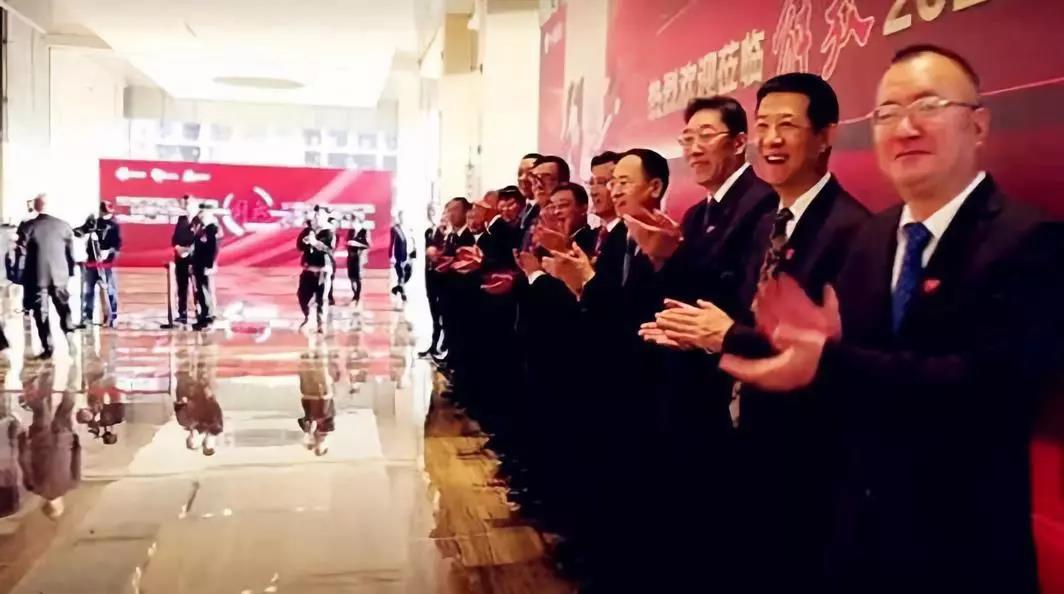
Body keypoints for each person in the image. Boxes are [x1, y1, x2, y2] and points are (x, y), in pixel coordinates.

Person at [720, 45, 1064, 594]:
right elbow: (854, 381)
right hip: (858, 540)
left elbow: (993, 390)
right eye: (887, 113)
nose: (905, 128)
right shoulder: (873, 235)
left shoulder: (1030, 240)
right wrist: (812, 351)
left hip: (962, 549)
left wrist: (830, 360)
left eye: (928, 106)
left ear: (977, 125)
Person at [642, 74, 871, 594]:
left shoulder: (852, 230)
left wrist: (726, 337)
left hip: (801, 455)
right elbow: (748, 317)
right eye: (764, 124)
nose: (771, 139)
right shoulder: (770, 221)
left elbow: (831, 355)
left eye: (786, 125)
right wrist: (701, 333)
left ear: (826, 136)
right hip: (743, 433)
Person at [18, 361, 80, 520]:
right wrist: (22, 441)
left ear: (59, 506)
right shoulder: (34, 487)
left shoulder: (72, 484)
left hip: (62, 440)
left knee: (66, 406)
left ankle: (72, 370)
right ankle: (43, 375)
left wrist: (74, 441)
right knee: (41, 408)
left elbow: (76, 460)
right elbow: (24, 461)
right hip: (41, 441)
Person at [21, 195, 75, 359]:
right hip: (60, 276)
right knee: (63, 308)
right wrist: (69, 272)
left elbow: (21, 253)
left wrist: (20, 276)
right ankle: (69, 334)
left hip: (37, 277)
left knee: (41, 314)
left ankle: (48, 347)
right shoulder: (64, 226)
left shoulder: (28, 227)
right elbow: (70, 254)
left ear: (36, 206)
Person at [73, 202, 122, 328]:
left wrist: (109, 252)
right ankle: (87, 317)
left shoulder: (114, 225)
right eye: (104, 211)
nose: (105, 214)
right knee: (88, 291)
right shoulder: (93, 223)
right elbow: (79, 232)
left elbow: (117, 245)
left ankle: (112, 317)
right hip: (91, 263)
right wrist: (82, 229)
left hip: (106, 264)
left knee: (110, 290)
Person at [297, 207, 335, 333]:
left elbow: (328, 248)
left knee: (321, 299)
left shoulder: (328, 232)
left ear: (326, 217)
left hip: (322, 271)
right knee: (302, 295)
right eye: (316, 214)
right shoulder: (308, 231)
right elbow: (299, 246)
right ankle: (307, 317)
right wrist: (305, 240)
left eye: (320, 215)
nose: (317, 217)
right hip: (308, 269)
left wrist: (314, 242)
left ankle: (320, 324)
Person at [191, 204, 220, 331]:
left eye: (203, 212)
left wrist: (210, 264)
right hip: (199, 263)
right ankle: (205, 315)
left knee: (204, 290)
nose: (201, 214)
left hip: (204, 265)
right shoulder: (201, 228)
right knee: (201, 290)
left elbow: (213, 248)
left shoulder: (211, 229)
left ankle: (207, 316)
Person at [587, 151, 620, 259]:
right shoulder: (591, 237)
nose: (593, 192)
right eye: (591, 184)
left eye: (601, 183)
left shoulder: (632, 237)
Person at [171, 195, 197, 325]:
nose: (186, 207)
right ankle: (182, 314)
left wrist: (189, 250)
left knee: (197, 288)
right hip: (180, 259)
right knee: (182, 288)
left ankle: (200, 313)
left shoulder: (198, 220)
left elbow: (200, 240)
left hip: (194, 260)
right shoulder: (181, 220)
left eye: (188, 204)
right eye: (184, 205)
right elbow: (175, 238)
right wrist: (177, 248)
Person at [345, 211, 370, 306]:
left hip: (359, 258)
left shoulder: (364, 231)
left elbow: (367, 245)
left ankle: (357, 297)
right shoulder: (351, 231)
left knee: (358, 278)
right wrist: (348, 244)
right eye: (352, 219)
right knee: (351, 277)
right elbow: (347, 242)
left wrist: (356, 244)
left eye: (354, 219)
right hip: (350, 257)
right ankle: (354, 294)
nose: (353, 221)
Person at [389, 211, 412, 305]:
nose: (402, 218)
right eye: (401, 216)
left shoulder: (407, 228)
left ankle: (397, 288)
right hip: (398, 257)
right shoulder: (395, 229)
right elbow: (392, 243)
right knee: (401, 276)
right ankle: (403, 296)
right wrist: (391, 256)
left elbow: (409, 241)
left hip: (407, 256)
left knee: (408, 274)